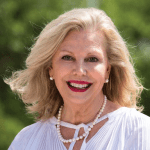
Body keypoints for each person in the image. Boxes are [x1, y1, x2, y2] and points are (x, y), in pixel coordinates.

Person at [5, 8, 150, 150]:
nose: (79, 71)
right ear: (50, 69)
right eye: (67, 57)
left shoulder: (139, 131)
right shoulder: (26, 140)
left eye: (92, 59)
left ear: (107, 70)